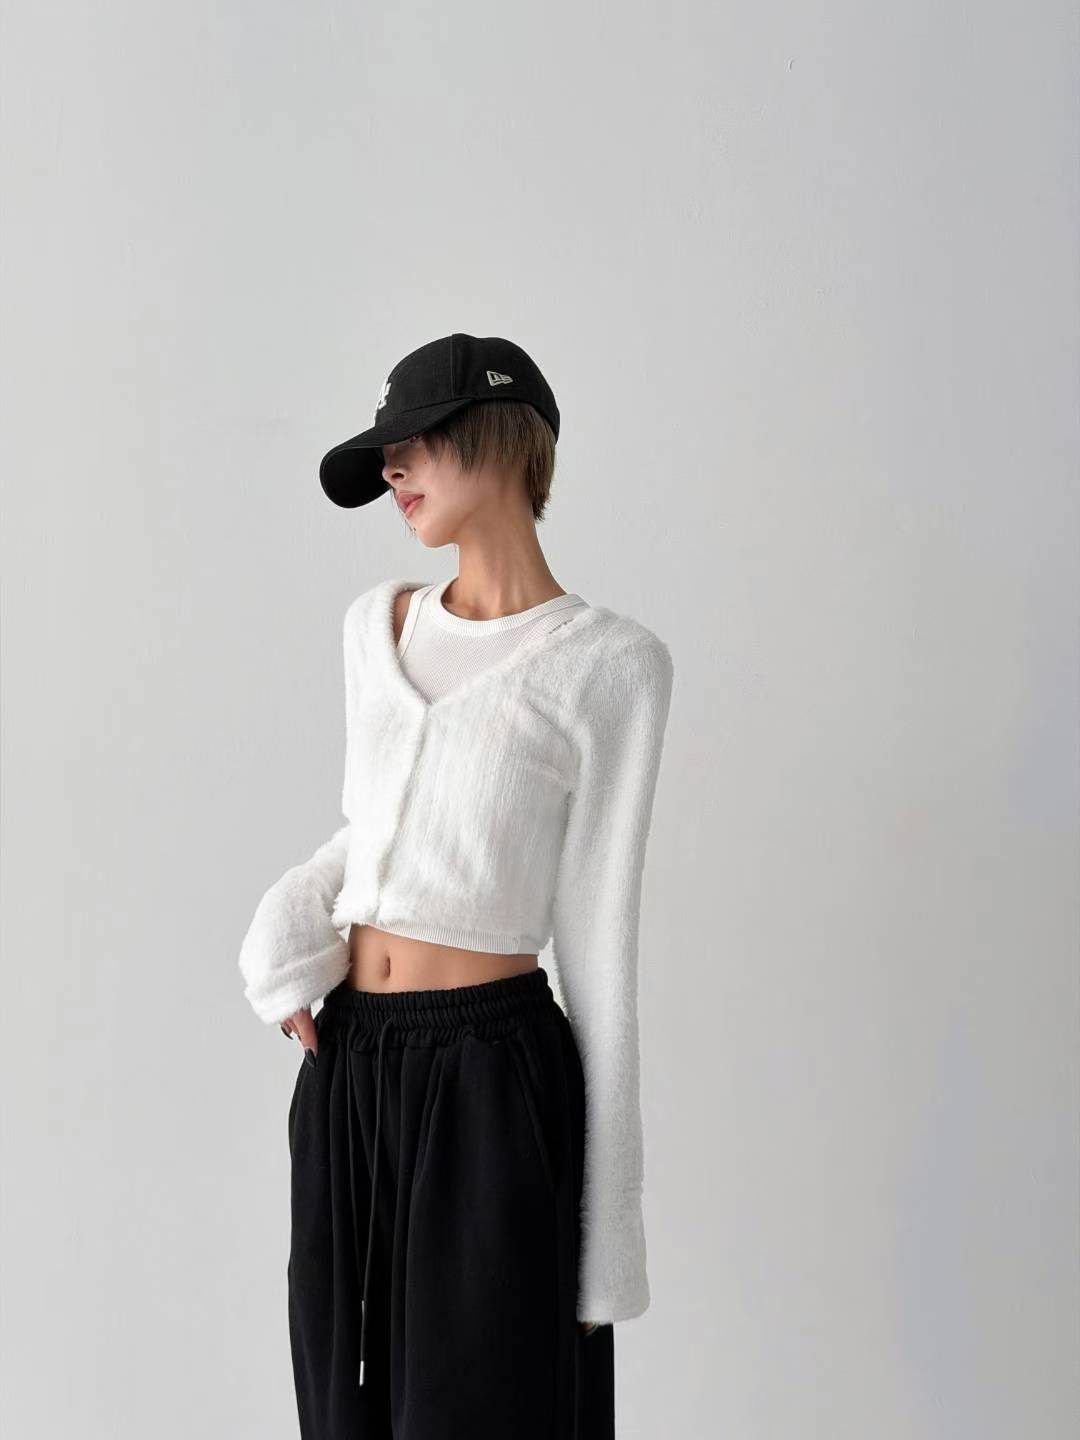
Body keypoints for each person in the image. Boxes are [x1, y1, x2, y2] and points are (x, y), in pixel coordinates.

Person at [239, 333, 674, 1439]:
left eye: (416, 441)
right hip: (347, 1066)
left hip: (494, 1077)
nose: (392, 468)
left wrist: (607, 1238)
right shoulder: (375, 627)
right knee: (342, 1409)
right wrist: (290, 922)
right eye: (382, 453)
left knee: (481, 1408)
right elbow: (375, 836)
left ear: (505, 436)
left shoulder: (610, 666)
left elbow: (601, 944)